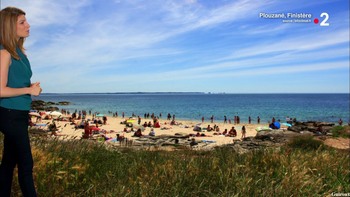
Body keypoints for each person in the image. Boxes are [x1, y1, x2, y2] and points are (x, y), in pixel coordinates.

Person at [0, 7, 42, 196]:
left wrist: (28, 86)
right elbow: (0, 90)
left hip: (18, 113)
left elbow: (13, 82)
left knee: (9, 162)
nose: (28, 25)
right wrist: (29, 90)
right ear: (10, 26)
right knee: (26, 164)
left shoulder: (18, 51)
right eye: (22, 22)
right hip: (9, 114)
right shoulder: (4, 53)